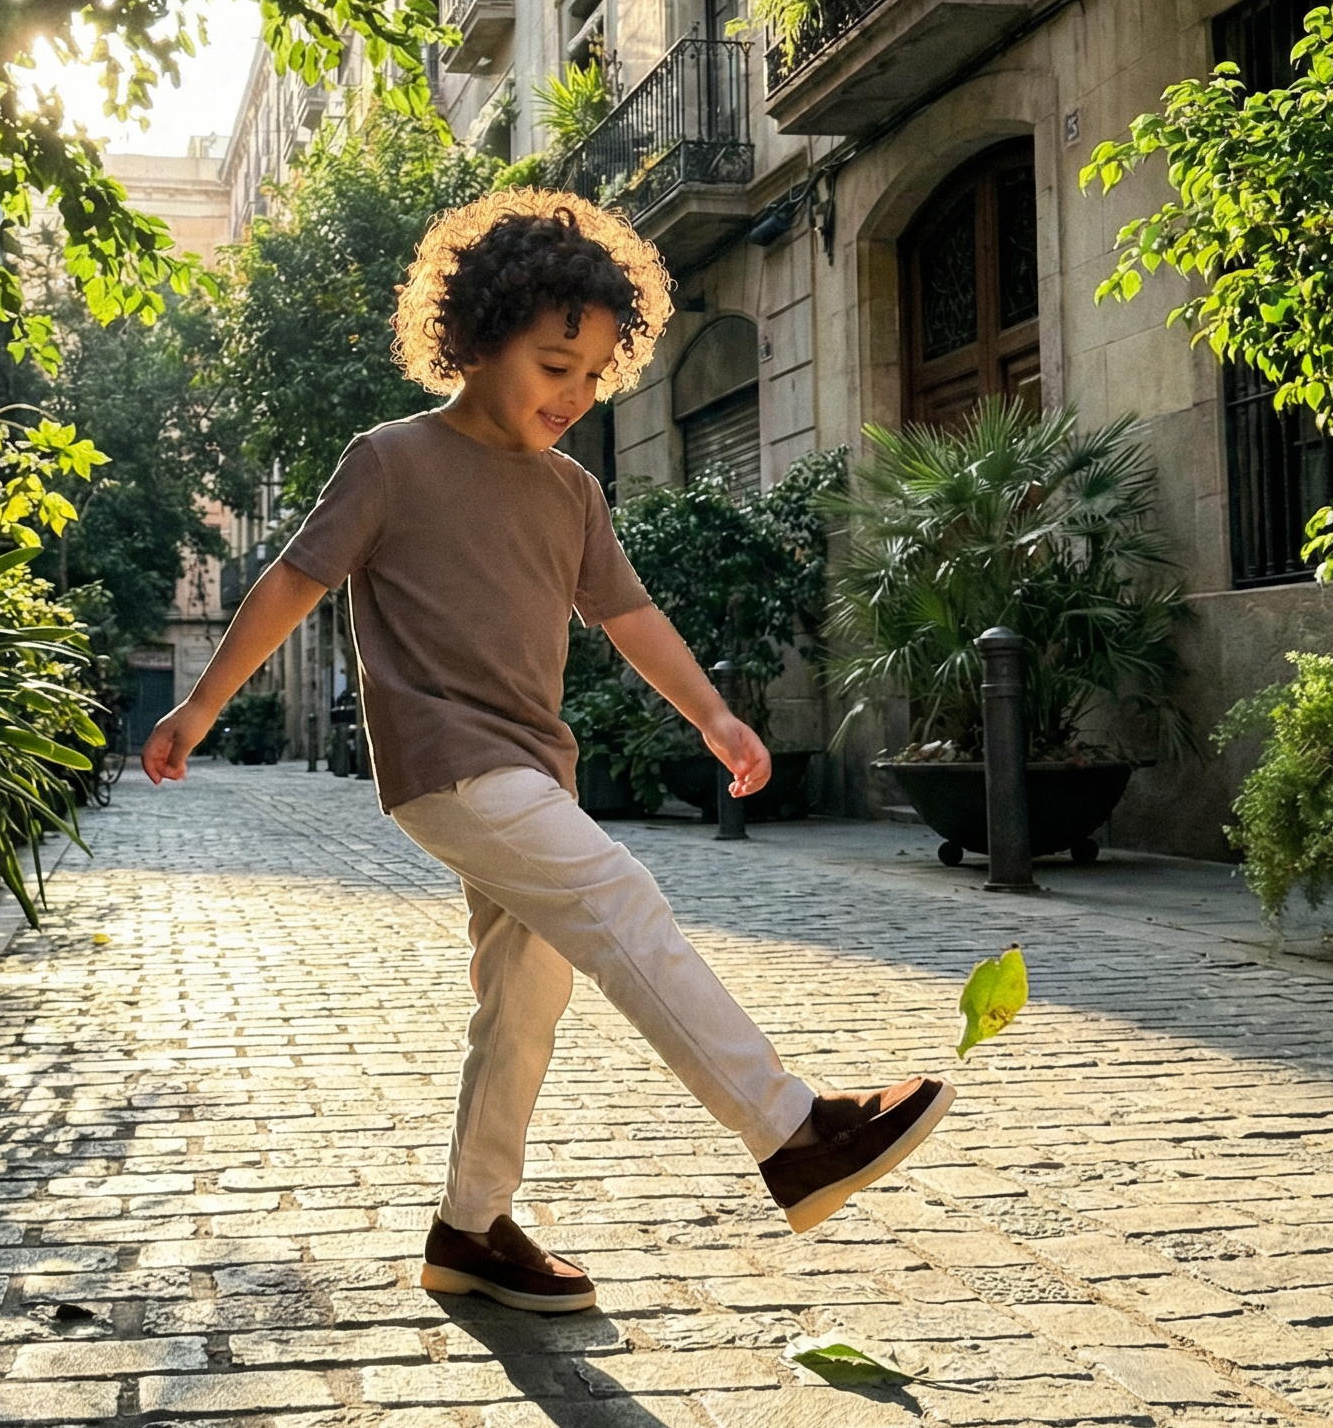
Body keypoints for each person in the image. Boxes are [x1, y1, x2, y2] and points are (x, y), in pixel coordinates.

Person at [142, 188, 953, 1314]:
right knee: (621, 897)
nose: (573, 395)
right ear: (475, 338)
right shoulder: (389, 460)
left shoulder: (571, 489)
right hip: (446, 765)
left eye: (594, 374)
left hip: (532, 767)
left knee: (523, 995)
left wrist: (713, 716)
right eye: (550, 363)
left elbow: (627, 615)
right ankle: (791, 1130)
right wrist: (197, 710)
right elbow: (291, 582)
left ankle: (470, 1230)